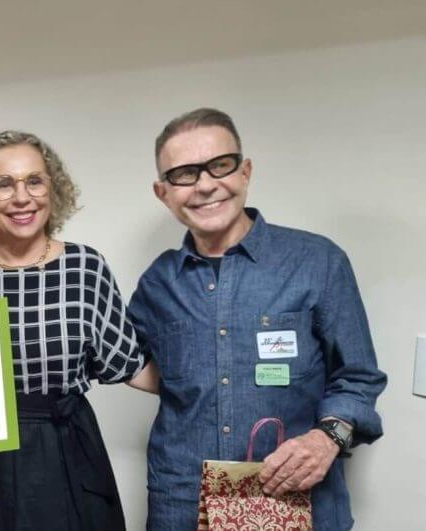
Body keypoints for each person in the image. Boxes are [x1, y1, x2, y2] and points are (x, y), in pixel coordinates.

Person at [127, 108, 387, 530]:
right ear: (163, 192)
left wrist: (327, 438)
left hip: (294, 503)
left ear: (245, 171)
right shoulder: (158, 283)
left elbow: (358, 379)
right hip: (183, 507)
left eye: (220, 165)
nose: (206, 185)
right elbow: (115, 354)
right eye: (184, 174)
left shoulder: (317, 262)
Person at [0, 130, 145, 531]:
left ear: (53, 189)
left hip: (64, 449)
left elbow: (128, 364)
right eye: (4, 184)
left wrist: (209, 382)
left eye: (34, 180)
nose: (21, 197)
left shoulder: (86, 266)